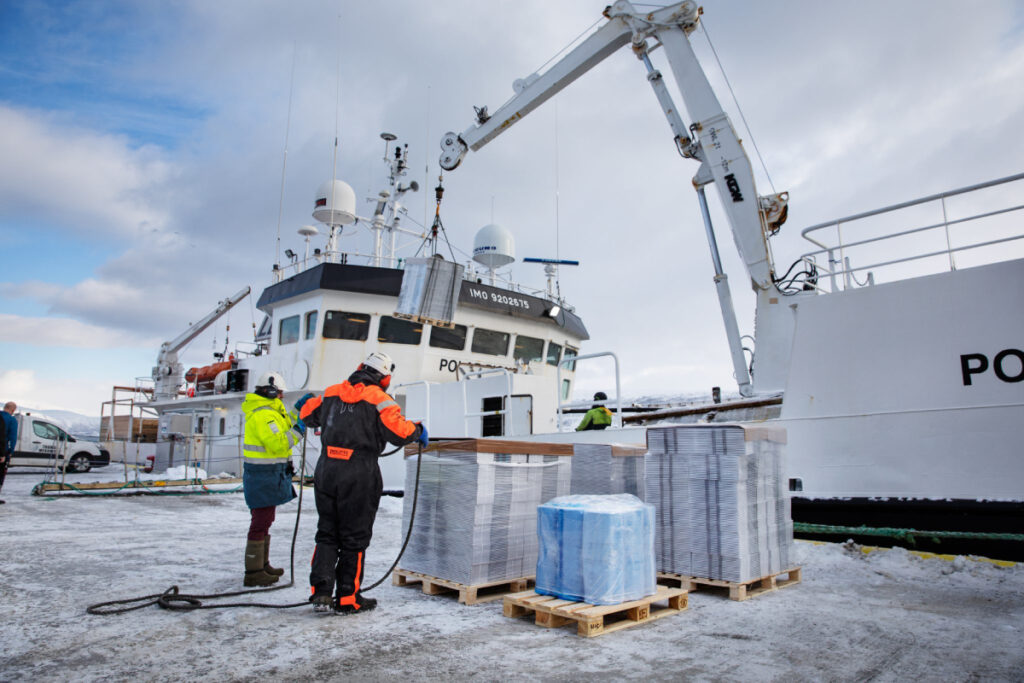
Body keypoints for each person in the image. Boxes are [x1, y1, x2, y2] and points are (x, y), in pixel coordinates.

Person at [298, 351, 428, 615]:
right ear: (385, 378)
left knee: (327, 532)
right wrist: (418, 430)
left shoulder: (331, 393)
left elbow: (306, 415)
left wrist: (306, 404)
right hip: (358, 473)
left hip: (327, 470)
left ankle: (320, 592)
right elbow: (399, 432)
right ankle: (348, 598)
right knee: (354, 537)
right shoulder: (380, 400)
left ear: (360, 368)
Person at [241, 372, 300, 587]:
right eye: (280, 393)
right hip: (262, 477)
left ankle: (262, 564)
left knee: (266, 521)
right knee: (260, 522)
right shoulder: (263, 415)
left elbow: (283, 425)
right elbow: (278, 443)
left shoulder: (270, 412)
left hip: (267, 475)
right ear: (271, 391)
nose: (282, 397)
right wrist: (300, 431)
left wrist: (297, 412)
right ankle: (254, 571)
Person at [0, 402, 17, 504]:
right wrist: (10, 451)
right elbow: (12, 437)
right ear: (13, 410)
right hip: (2, 450)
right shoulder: (12, 420)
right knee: (1, 474)